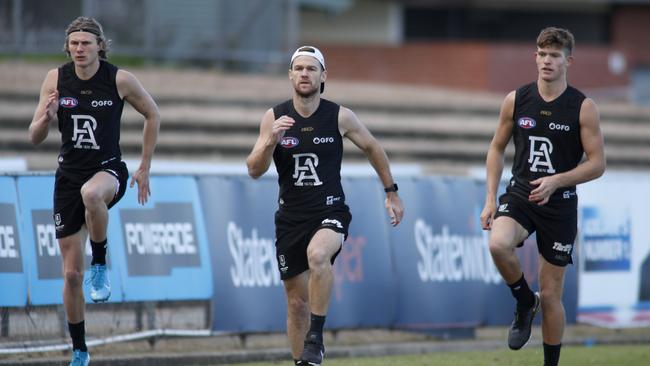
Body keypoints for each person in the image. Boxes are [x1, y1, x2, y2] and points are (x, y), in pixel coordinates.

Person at [246, 46, 404, 366]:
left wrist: (391, 192)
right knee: (295, 304)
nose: (305, 74)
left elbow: (374, 148)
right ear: (290, 75)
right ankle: (302, 360)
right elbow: (253, 169)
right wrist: (268, 142)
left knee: (318, 255)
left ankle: (316, 338)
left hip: (329, 211)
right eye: (299, 68)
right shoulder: (274, 117)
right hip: (290, 218)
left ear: (323, 76)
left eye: (311, 69)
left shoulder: (339, 116)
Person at [28, 17, 160, 366]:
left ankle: (100, 260)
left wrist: (145, 165)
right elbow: (34, 135)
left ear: (100, 45)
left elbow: (153, 114)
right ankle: (80, 350)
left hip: (108, 171)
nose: (80, 49)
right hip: (67, 177)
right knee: (72, 276)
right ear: (67, 47)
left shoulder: (119, 79)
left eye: (86, 43)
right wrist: (47, 117)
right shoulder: (56, 79)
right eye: (74, 44)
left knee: (92, 194)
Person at [480, 27, 605, 366]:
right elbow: (496, 148)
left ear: (568, 61)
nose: (547, 61)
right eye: (542, 54)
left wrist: (558, 181)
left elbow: (597, 164)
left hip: (560, 206)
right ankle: (523, 300)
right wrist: (491, 197)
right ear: (535, 57)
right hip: (521, 193)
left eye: (555, 56)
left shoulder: (583, 107)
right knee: (497, 244)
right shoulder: (516, 99)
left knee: (551, 296)